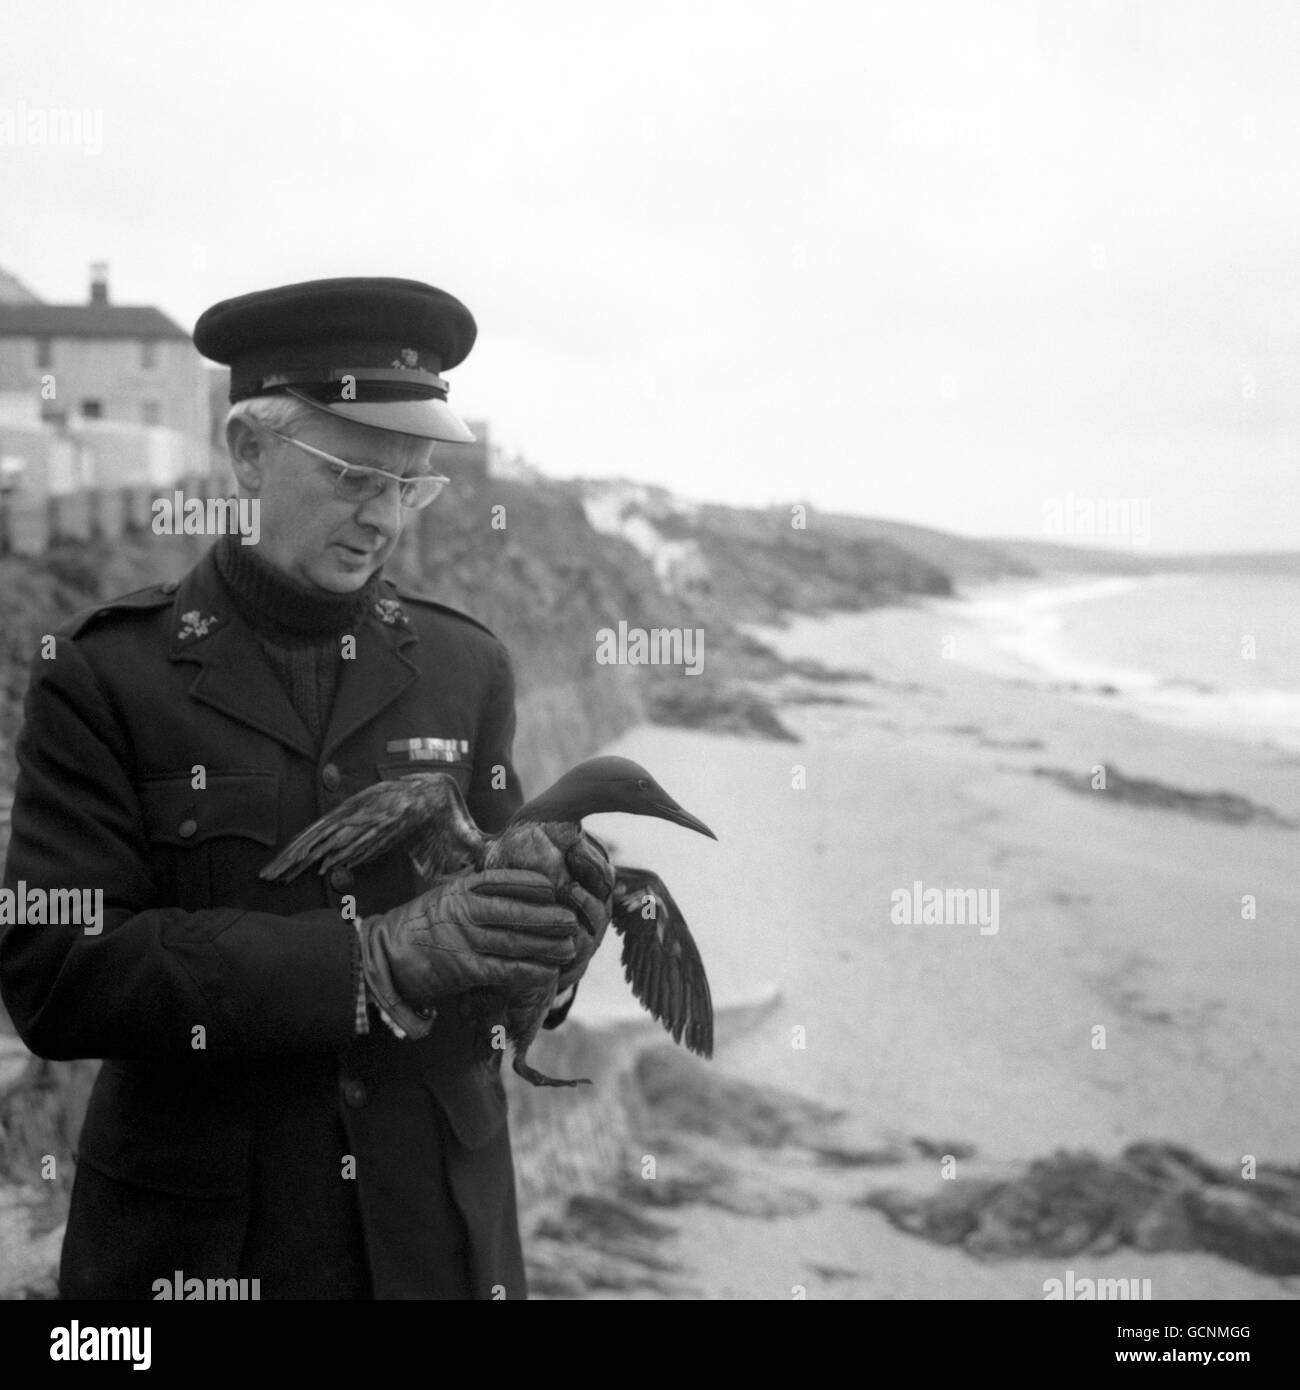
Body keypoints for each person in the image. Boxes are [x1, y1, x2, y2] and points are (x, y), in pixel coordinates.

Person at [0, 276, 610, 1300]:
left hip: (437, 1242)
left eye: (411, 485)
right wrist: (366, 962)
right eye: (353, 475)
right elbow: (57, 972)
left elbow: (496, 974)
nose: (384, 519)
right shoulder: (107, 675)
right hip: (201, 1252)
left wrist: (551, 949)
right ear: (248, 452)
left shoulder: (469, 667)